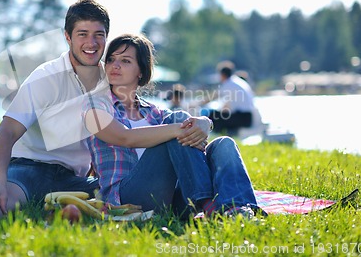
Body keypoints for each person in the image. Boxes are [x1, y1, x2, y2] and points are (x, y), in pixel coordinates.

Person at [0, 0, 112, 225]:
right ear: (68, 37)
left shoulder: (109, 82)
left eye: (98, 34)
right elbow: (7, 133)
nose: (91, 42)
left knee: (117, 193)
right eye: (82, 34)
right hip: (29, 167)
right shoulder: (46, 77)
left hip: (73, 180)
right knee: (9, 200)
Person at [84, 34, 263, 219]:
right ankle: (206, 204)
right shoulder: (95, 105)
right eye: (111, 59)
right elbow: (125, 137)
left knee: (224, 144)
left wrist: (205, 122)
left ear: (141, 71)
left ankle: (239, 210)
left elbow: (188, 127)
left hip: (171, 198)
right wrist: (178, 128)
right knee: (178, 121)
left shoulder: (153, 112)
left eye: (126, 60)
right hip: (128, 198)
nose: (115, 65)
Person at [200, 60, 255, 135]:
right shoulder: (237, 81)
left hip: (243, 117)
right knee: (222, 115)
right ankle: (228, 134)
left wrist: (198, 103)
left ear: (222, 75)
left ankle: (220, 137)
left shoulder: (228, 83)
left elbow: (213, 97)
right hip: (248, 117)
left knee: (212, 116)